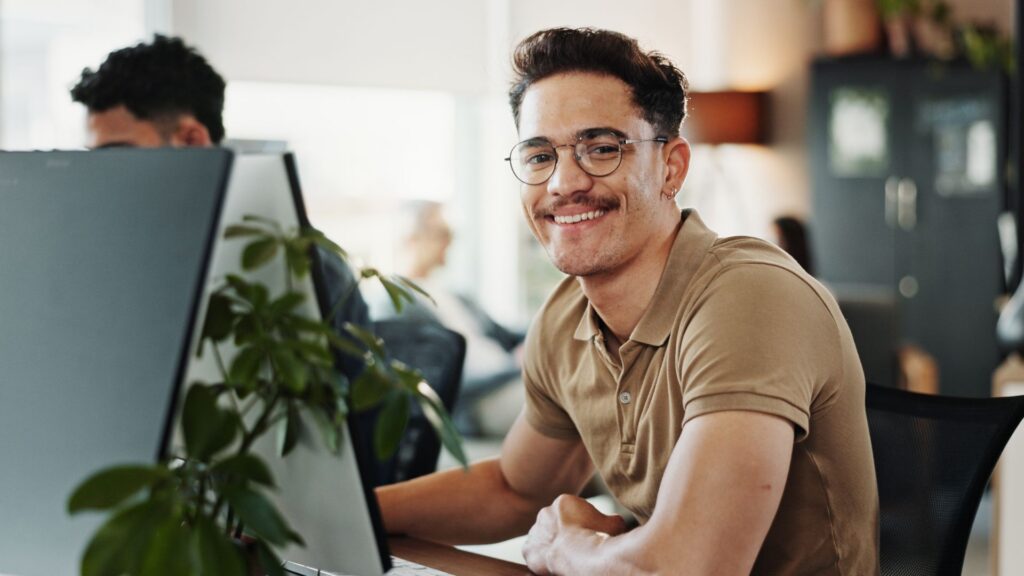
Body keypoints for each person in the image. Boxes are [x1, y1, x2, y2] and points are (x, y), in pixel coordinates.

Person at [376, 27, 878, 575]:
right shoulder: (565, 316)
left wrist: (569, 549)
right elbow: (515, 490)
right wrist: (344, 510)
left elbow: (690, 569)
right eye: (540, 154)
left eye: (601, 148)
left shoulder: (749, 295)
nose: (564, 182)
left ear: (672, 167)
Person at [69, 34, 370, 381]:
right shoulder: (119, 257)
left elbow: (360, 420)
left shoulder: (298, 263)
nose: (102, 178)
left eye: (117, 155)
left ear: (192, 140)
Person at [370, 200, 525, 436]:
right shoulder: (396, 304)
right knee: (569, 404)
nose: (450, 241)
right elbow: (436, 381)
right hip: (480, 397)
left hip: (514, 376)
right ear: (412, 238)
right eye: (443, 233)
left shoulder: (456, 295)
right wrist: (513, 368)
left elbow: (506, 334)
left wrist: (547, 335)